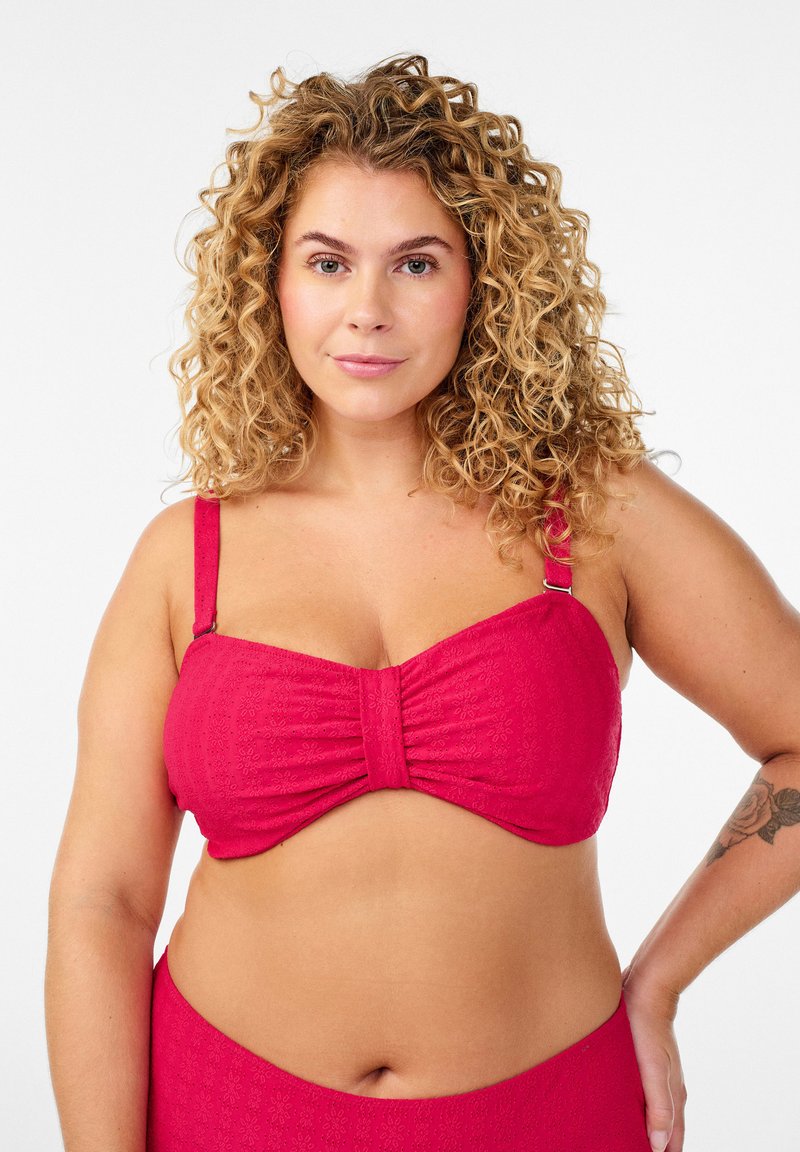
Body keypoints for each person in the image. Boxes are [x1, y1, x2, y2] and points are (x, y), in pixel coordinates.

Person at [44, 53, 800, 1152]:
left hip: (551, 1116)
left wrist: (660, 981)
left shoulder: (595, 517)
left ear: (483, 284)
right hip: (224, 1108)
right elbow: (102, 903)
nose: (367, 311)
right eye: (327, 262)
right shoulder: (184, 558)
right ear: (271, 284)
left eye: (414, 263)